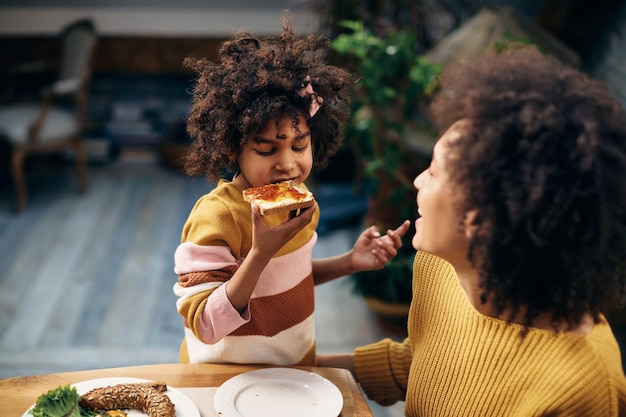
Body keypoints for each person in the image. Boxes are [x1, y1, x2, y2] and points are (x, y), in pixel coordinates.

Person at [318, 45, 626, 415]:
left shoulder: (584, 391)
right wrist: (298, 369)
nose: (417, 181)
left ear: (482, 219)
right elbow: (420, 362)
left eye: (433, 172)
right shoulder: (441, 266)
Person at [173, 17, 410, 366]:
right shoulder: (218, 217)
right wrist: (258, 253)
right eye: (267, 150)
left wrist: (349, 262)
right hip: (225, 379)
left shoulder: (300, 202)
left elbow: (288, 279)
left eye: (300, 146)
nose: (288, 165)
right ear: (231, 150)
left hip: (292, 365)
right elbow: (206, 325)